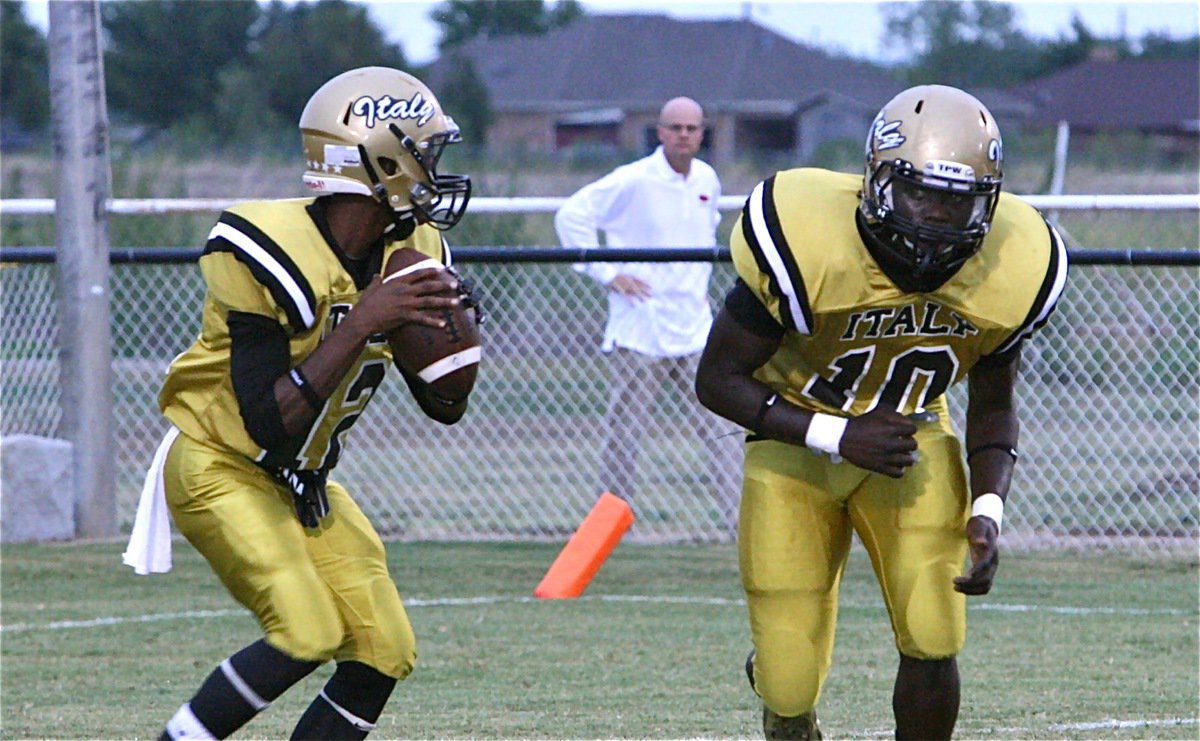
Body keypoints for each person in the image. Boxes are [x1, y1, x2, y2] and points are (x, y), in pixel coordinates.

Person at [695, 85, 1069, 739]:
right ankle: (787, 700)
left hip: (910, 439)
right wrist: (838, 434)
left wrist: (988, 510)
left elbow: (994, 403)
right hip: (796, 442)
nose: (937, 218)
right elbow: (718, 379)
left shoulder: (1016, 263)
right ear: (877, 179)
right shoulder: (807, 237)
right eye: (923, 193)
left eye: (960, 202)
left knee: (934, 627)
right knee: (788, 678)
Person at [122, 66, 480, 740]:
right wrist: (364, 320)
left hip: (303, 481)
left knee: (384, 647)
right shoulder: (263, 246)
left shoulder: (413, 248)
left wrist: (451, 348)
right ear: (375, 159)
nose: (434, 169)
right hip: (221, 465)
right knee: (306, 629)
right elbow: (267, 421)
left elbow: (447, 406)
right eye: (423, 153)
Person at [555, 96, 741, 530]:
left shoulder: (707, 179)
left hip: (695, 328)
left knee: (723, 430)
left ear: (702, 133)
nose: (683, 135)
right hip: (640, 327)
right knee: (624, 435)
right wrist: (608, 273)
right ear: (659, 132)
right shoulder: (633, 180)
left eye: (691, 128)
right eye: (675, 127)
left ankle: (740, 524)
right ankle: (608, 528)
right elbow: (572, 216)